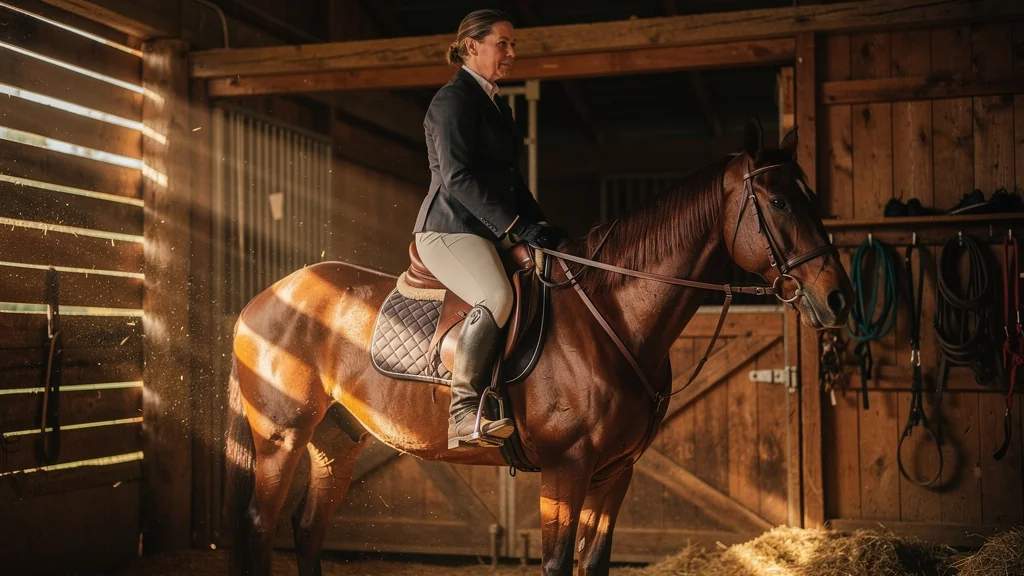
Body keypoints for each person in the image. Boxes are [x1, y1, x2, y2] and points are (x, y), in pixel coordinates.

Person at [413, 8, 566, 450]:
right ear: (471, 46)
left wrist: (543, 228)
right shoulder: (452, 100)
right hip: (449, 229)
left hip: (487, 229)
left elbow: (511, 182)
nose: (512, 52)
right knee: (496, 296)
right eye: (503, 43)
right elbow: (458, 178)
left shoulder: (494, 105)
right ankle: (462, 412)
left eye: (513, 45)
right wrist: (517, 227)